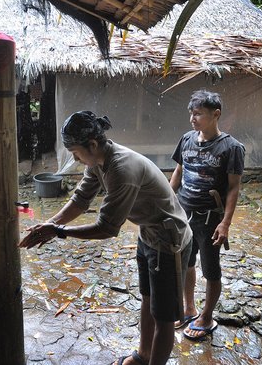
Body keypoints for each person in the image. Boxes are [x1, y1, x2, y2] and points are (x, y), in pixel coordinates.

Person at [20, 111, 192, 365]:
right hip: (149, 235)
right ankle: (143, 355)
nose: (75, 159)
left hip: (170, 240)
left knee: (164, 317)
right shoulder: (98, 162)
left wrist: (59, 232)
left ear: (92, 145)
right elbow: (80, 200)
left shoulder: (121, 168)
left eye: (76, 152)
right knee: (148, 300)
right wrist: (51, 223)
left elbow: (107, 228)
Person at [170, 90, 244, 341]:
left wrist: (225, 223)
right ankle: (189, 307)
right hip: (183, 214)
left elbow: (233, 187)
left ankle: (207, 316)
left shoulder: (231, 147)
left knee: (210, 269)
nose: (193, 118)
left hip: (210, 217)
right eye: (191, 113)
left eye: (198, 113)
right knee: (185, 262)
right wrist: (167, 204)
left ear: (216, 114)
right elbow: (178, 173)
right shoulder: (187, 139)